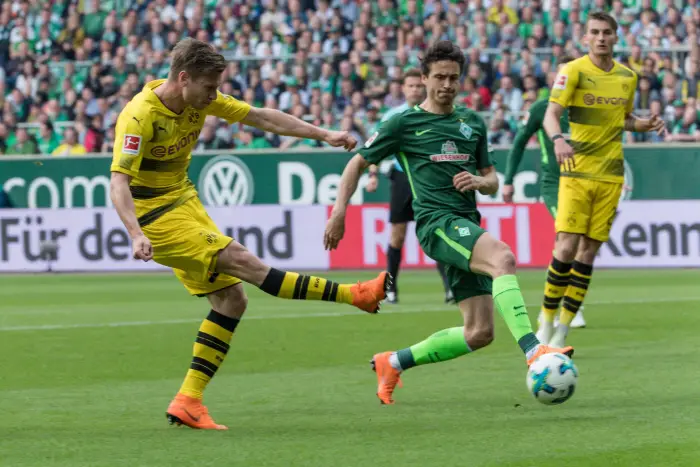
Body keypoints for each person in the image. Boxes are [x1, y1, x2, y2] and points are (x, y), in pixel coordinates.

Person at [109, 38, 390, 430]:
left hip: (184, 201)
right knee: (245, 263)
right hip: (153, 218)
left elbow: (261, 118)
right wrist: (135, 233)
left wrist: (324, 135)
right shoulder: (139, 115)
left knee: (231, 300)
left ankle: (188, 399)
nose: (214, 95)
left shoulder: (200, 99)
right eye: (209, 87)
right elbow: (118, 181)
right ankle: (355, 295)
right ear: (184, 78)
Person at [323, 40, 574, 405]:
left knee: (479, 332)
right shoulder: (403, 123)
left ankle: (392, 362)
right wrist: (339, 211)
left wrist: (478, 181)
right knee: (502, 257)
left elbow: (492, 180)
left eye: (453, 78)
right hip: (436, 223)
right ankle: (534, 349)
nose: (447, 85)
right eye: (439, 77)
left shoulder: (471, 122)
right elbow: (356, 163)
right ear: (423, 79)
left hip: (466, 220)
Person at [538, 12, 664, 348]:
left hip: (610, 175)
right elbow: (551, 114)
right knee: (565, 245)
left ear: (616, 36)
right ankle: (545, 321)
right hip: (576, 171)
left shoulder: (627, 77)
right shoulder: (573, 70)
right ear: (586, 37)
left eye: (607, 32)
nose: (601, 38)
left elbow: (622, 120)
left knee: (589, 253)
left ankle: (563, 329)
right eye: (595, 32)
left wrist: (645, 125)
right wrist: (558, 140)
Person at [503, 55, 587, 330]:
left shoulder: (584, 108)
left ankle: (567, 300)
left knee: (579, 243)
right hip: (554, 184)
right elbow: (518, 143)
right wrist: (508, 180)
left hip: (582, 182)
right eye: (563, 74)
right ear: (555, 78)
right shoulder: (542, 109)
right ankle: (560, 307)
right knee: (568, 236)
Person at [365, 68, 453, 305]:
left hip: (429, 178)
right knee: (397, 236)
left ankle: (450, 288)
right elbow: (374, 149)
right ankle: (391, 289)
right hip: (403, 178)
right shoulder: (393, 116)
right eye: (410, 86)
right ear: (403, 89)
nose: (415, 89)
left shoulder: (435, 112)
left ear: (424, 87)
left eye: (418, 85)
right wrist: (372, 175)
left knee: (437, 233)